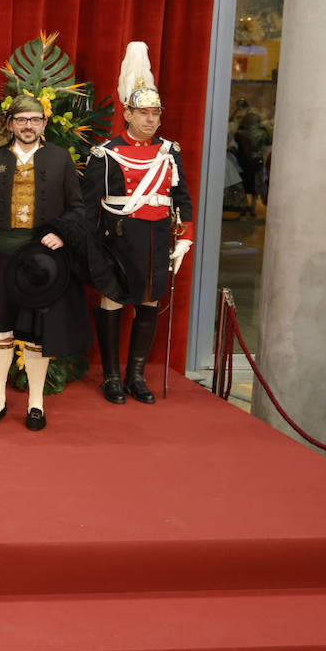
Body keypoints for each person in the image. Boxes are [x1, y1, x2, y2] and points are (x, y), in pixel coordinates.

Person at [0, 94, 88, 430]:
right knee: (0, 328)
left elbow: (78, 208)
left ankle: (35, 403)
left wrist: (62, 235)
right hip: (0, 256)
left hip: (43, 262)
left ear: (44, 123)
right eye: (21, 120)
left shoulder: (60, 159)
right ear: (10, 123)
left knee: (36, 334)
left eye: (34, 119)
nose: (28, 126)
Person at [77, 42, 193, 404]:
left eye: (155, 114)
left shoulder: (168, 152)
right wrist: (89, 248)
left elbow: (182, 198)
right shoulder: (105, 153)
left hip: (157, 239)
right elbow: (85, 206)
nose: (150, 120)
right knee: (112, 302)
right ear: (127, 114)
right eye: (143, 113)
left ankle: (136, 376)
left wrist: (185, 238)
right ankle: (111, 376)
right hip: (116, 240)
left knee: (147, 304)